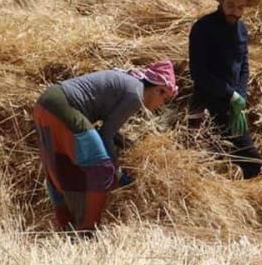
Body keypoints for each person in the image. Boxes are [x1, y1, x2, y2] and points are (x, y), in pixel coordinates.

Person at [33, 60, 177, 231]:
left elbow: (108, 129)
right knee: (101, 167)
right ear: (158, 89)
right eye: (164, 99)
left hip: (46, 103)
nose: (161, 105)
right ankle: (87, 229)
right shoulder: (136, 94)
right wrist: (117, 171)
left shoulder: (131, 85)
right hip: (62, 105)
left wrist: (124, 143)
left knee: (60, 165)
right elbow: (105, 134)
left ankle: (66, 226)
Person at [189, 0, 262, 179]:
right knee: (202, 163)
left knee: (249, 164)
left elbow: (243, 66)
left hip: (232, 107)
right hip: (206, 103)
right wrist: (231, 95)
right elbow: (198, 72)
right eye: (230, 5)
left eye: (240, 7)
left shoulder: (241, 30)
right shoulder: (203, 28)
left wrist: (241, 97)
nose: (235, 12)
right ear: (220, 0)